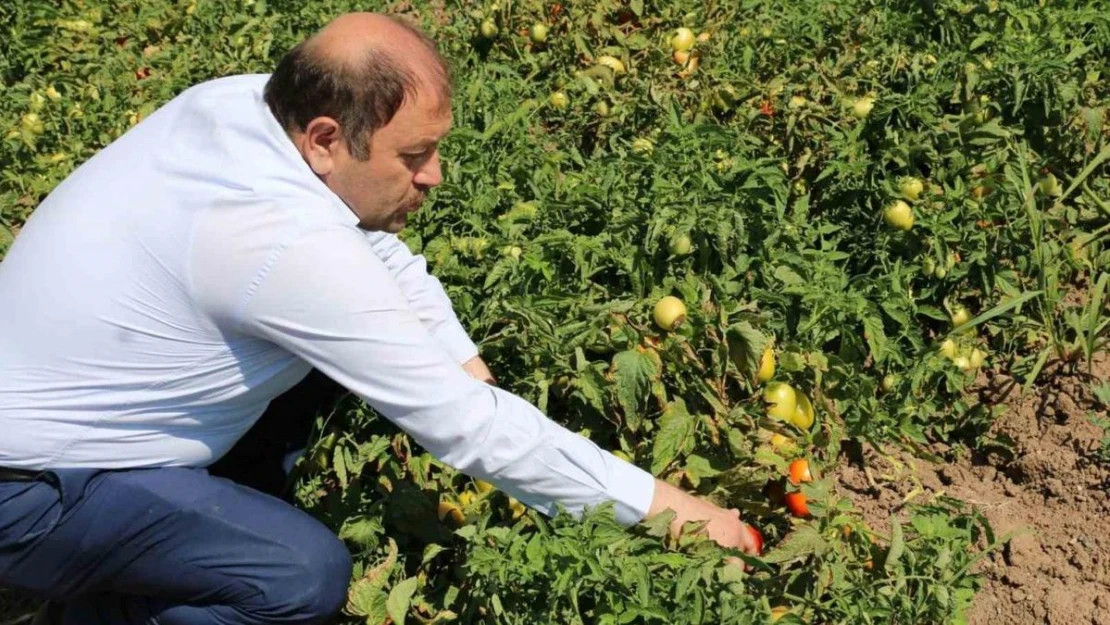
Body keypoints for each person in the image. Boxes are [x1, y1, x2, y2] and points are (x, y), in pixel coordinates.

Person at [0, 12, 760, 625]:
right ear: (328, 139)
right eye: (415, 155)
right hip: (30, 491)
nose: (434, 175)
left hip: (61, 411)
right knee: (300, 574)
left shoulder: (245, 105)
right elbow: (474, 430)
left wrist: (458, 356)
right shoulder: (280, 242)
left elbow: (371, 249)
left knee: (341, 356)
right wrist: (676, 510)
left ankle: (199, 515)